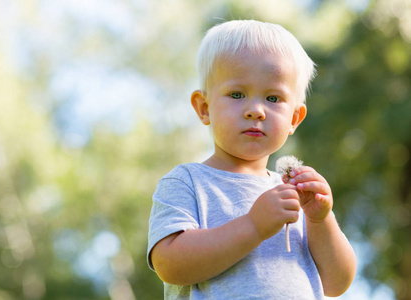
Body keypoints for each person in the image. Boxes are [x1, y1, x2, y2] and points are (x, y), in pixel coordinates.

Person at [147, 20, 356, 299]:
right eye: (237, 94)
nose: (256, 110)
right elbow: (169, 264)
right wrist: (253, 226)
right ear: (204, 107)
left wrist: (321, 220)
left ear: (294, 118)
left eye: (273, 97)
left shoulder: (297, 195)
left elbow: (336, 283)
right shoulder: (187, 182)